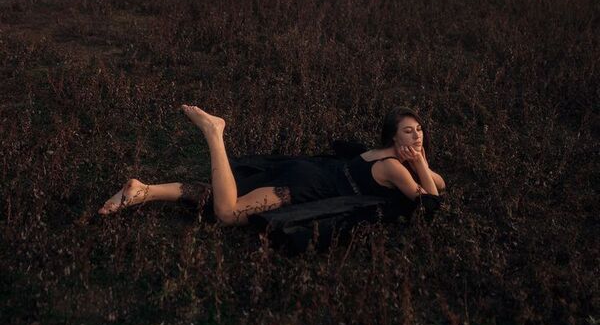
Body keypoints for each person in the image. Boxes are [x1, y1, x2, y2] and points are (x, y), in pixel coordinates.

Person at [98, 105, 446, 226]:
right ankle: (214, 133)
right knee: (228, 213)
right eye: (409, 132)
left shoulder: (378, 154)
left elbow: (438, 182)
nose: (417, 138)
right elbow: (430, 204)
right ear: (393, 138)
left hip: (303, 170)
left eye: (419, 131)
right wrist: (421, 164)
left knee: (220, 194)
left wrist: (421, 164)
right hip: (304, 188)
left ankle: (143, 190)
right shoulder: (396, 170)